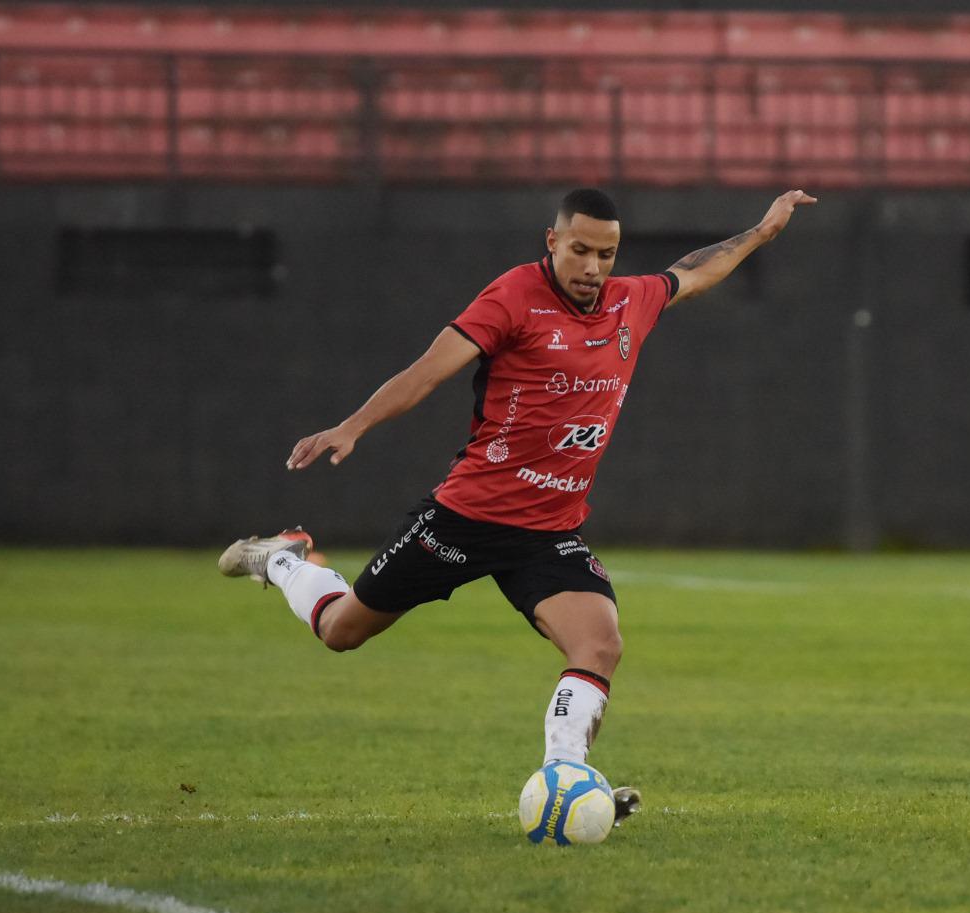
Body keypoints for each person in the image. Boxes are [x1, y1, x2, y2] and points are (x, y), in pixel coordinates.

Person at [219, 187, 816, 824]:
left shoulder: (629, 301)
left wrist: (761, 232)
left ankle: (566, 779)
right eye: (580, 250)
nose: (592, 267)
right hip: (466, 518)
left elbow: (693, 272)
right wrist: (353, 426)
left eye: (606, 254)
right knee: (342, 632)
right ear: (552, 241)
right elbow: (429, 370)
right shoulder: (513, 297)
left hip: (548, 532)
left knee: (599, 643)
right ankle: (282, 559)